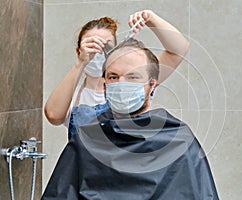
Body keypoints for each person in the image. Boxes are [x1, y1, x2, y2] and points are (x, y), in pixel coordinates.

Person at [41, 39, 219, 200]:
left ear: (152, 84)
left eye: (133, 77)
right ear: (105, 85)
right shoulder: (87, 138)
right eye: (113, 77)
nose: (121, 84)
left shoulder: (179, 139)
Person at [44, 10, 189, 140]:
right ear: (79, 51)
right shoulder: (72, 94)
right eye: (92, 45)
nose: (99, 52)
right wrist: (81, 62)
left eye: (106, 46)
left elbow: (178, 49)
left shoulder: (133, 85)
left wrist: (151, 18)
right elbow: (53, 115)